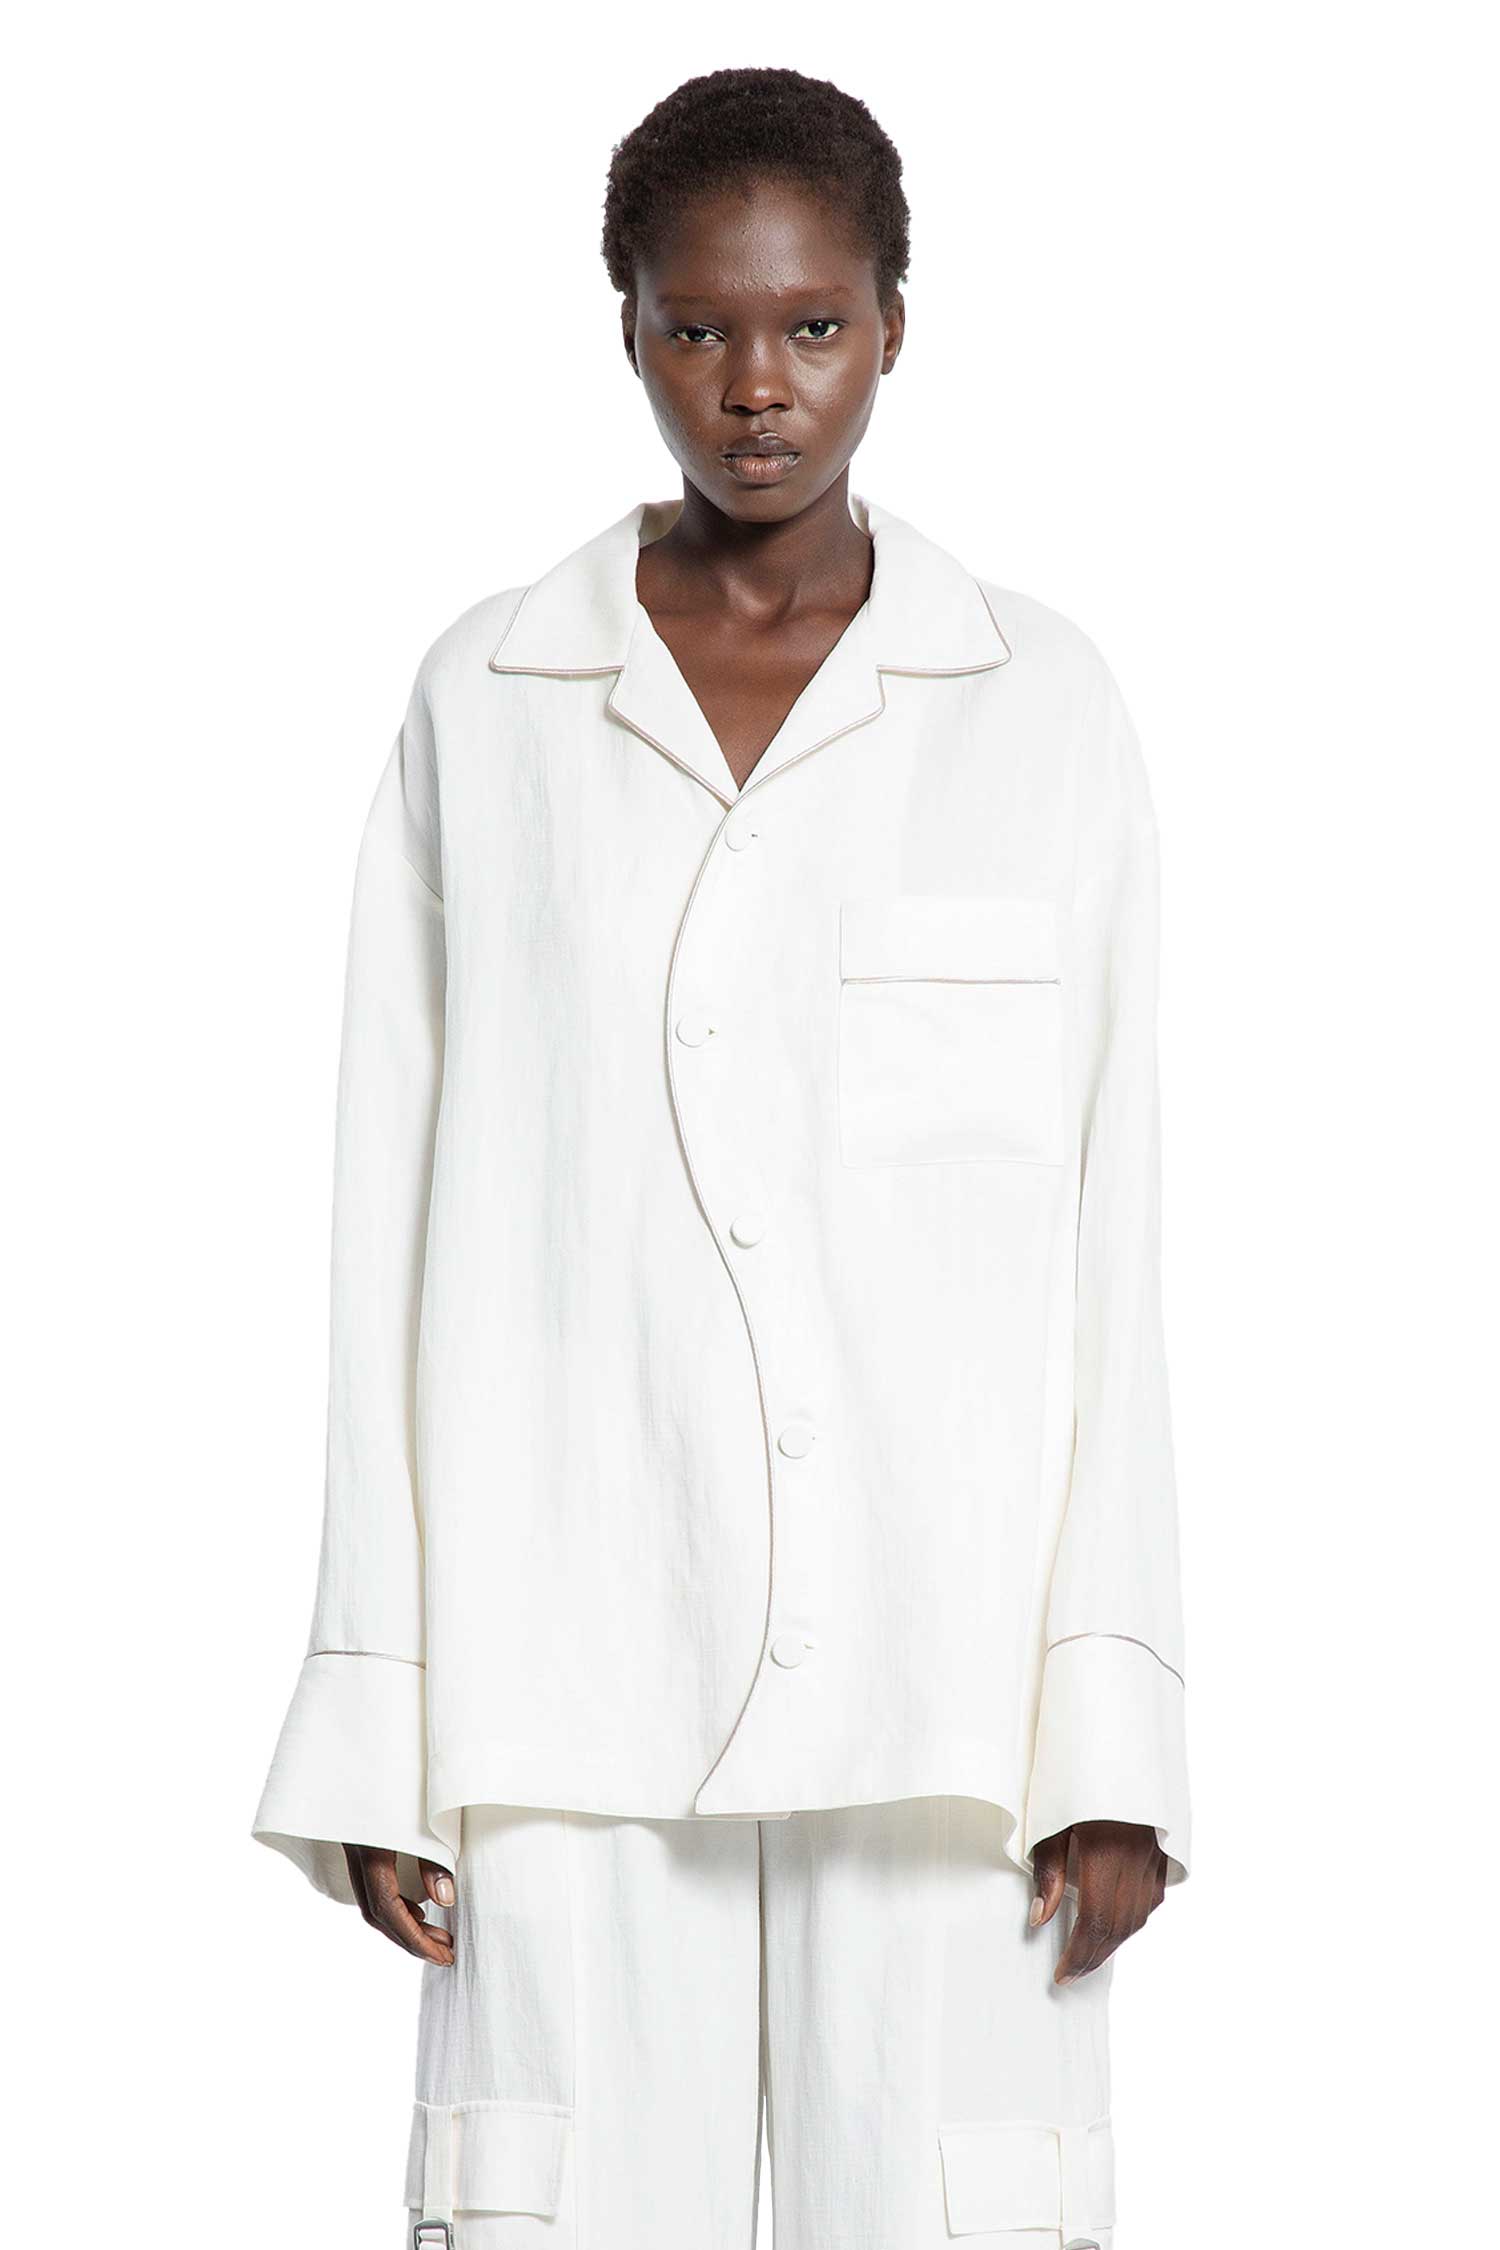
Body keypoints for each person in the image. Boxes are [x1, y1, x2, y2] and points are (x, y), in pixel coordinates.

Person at [253, 64, 1189, 2250]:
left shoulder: (1043, 707)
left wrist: (1113, 1734)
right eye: (699, 328)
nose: (757, 386)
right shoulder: (488, 702)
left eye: (812, 326)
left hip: (952, 1702)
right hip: (563, 1666)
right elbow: (382, 1223)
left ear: (894, 325)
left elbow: (1113, 1241)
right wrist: (386, 1718)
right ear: (627, 328)